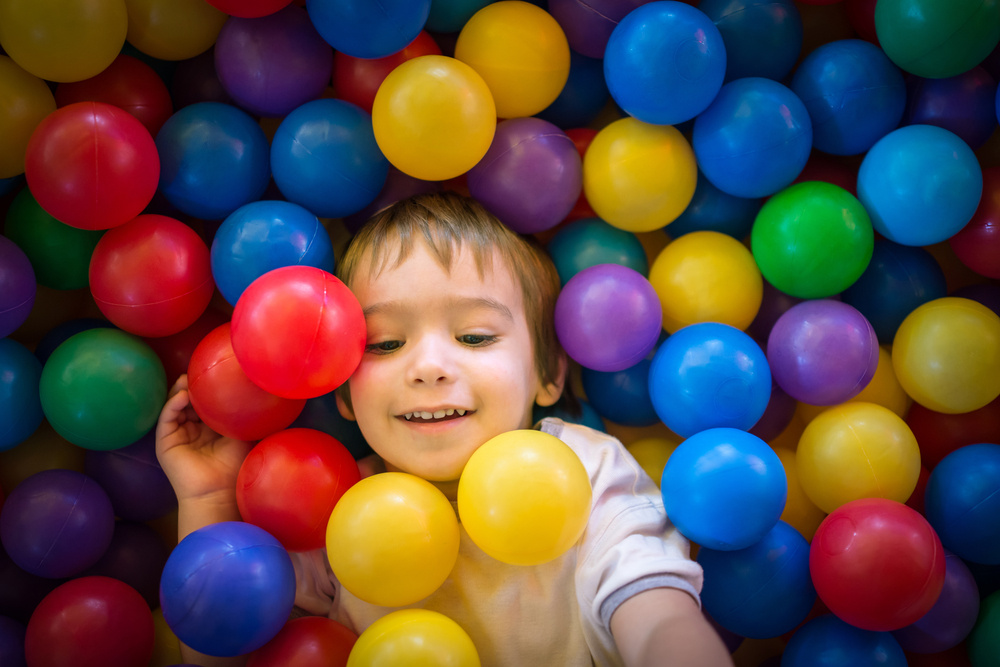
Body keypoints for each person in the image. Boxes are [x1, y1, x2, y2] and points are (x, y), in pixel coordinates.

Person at [156, 192, 734, 667]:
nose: (429, 366)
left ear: (548, 373)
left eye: (475, 337)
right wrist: (207, 499)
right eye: (385, 344)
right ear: (343, 390)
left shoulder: (582, 471)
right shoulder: (327, 511)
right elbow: (222, 637)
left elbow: (658, 614)